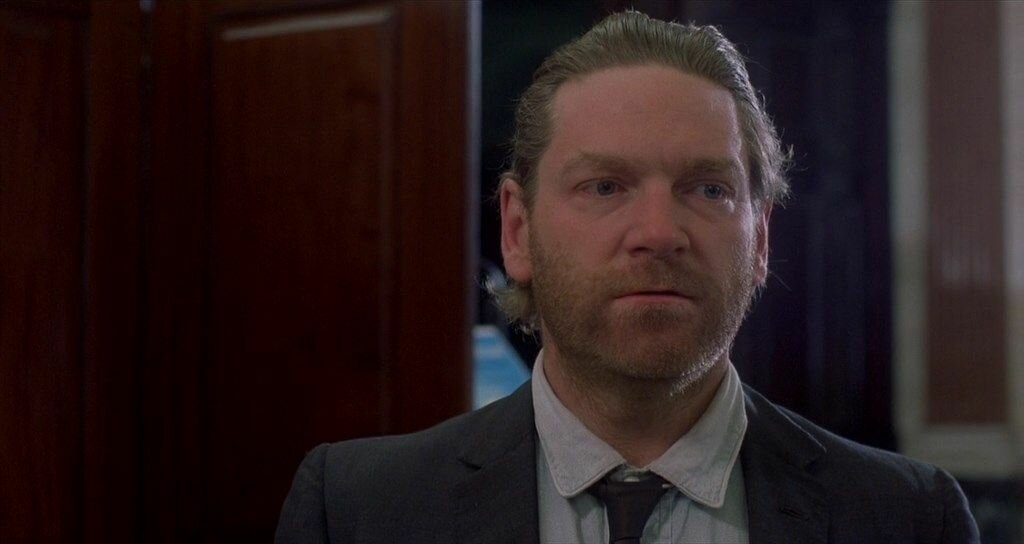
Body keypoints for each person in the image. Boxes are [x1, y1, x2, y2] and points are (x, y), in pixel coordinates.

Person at [276, 11, 979, 544]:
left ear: (761, 237)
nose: (658, 232)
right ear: (517, 231)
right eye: (605, 186)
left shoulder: (910, 519)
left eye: (708, 189)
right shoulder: (357, 512)